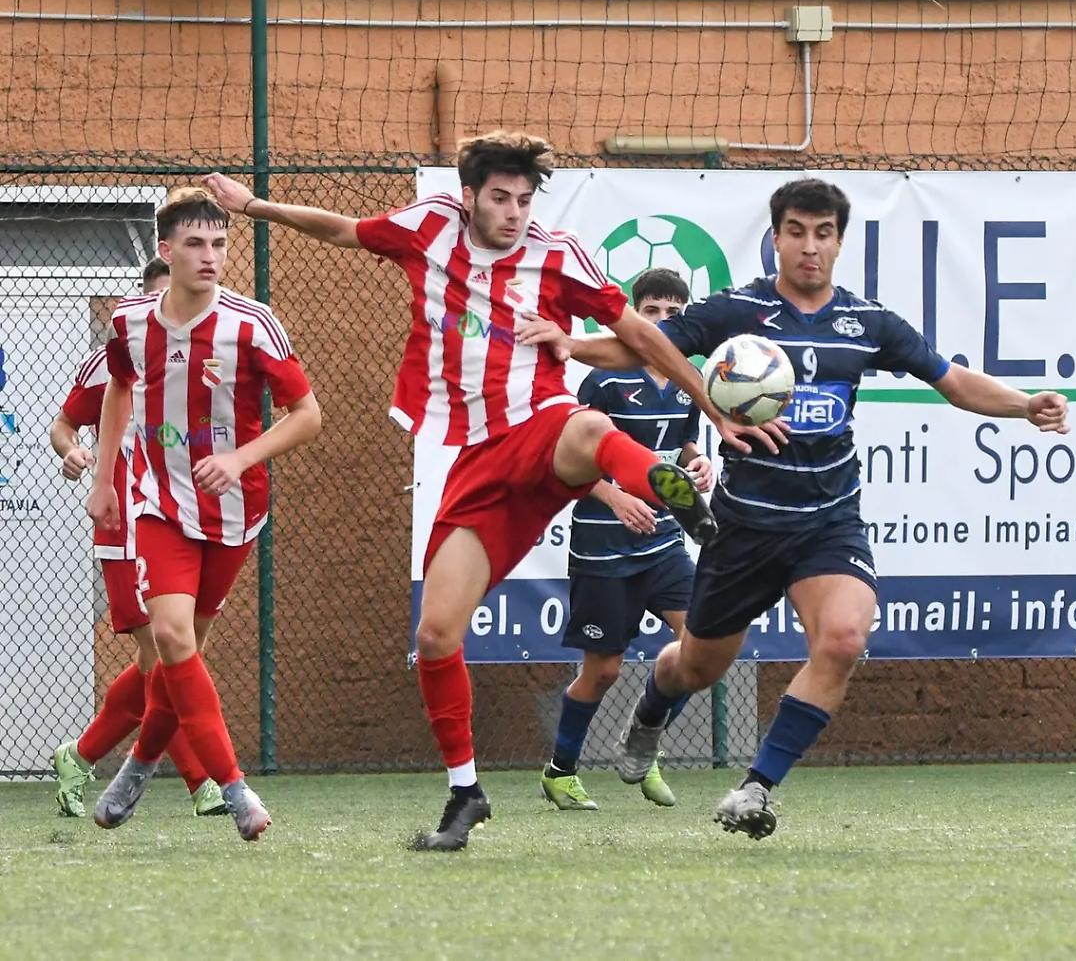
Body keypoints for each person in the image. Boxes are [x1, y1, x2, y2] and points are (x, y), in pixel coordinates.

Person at [203, 131, 768, 851]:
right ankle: (465, 790)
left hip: (540, 426)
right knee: (437, 633)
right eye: (500, 197)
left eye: (525, 199)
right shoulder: (429, 226)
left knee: (586, 424)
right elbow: (342, 230)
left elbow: (645, 339)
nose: (514, 212)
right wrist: (255, 205)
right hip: (473, 462)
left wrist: (713, 407)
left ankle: (671, 496)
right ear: (469, 195)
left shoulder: (558, 253)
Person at [521, 178, 1069, 840]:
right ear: (776, 237)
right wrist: (570, 344)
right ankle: (653, 710)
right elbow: (644, 345)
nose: (810, 246)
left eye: (824, 233)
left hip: (827, 522)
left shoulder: (867, 323)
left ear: (839, 241)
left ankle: (756, 787)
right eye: (797, 232)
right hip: (744, 524)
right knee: (697, 664)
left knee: (843, 637)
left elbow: (951, 379)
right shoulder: (739, 310)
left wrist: (1023, 403)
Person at [88, 187, 322, 842]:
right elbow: (119, 386)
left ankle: (136, 766)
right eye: (195, 244)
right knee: (170, 636)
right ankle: (235, 787)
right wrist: (106, 478)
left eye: (219, 243)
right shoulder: (131, 321)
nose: (210, 255)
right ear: (166, 250)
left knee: (180, 655)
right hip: (159, 504)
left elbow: (308, 416)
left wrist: (243, 457)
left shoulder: (253, 323)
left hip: (233, 510)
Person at [51, 256, 227, 818]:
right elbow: (63, 425)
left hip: (184, 520)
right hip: (126, 526)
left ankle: (80, 756)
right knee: (163, 657)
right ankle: (203, 781)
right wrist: (74, 452)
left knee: (173, 656)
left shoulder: (209, 355)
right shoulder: (113, 360)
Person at [540, 268, 712, 811]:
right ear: (635, 318)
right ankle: (560, 770)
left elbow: (683, 444)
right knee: (605, 670)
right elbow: (569, 463)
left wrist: (699, 462)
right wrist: (617, 497)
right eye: (653, 312)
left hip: (663, 541)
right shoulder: (607, 382)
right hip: (604, 545)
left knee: (702, 648)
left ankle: (646, 739)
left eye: (674, 313)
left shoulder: (690, 378)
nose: (664, 322)